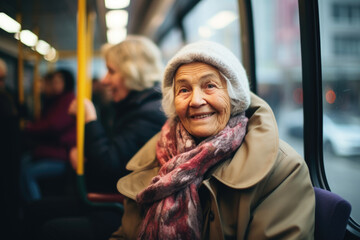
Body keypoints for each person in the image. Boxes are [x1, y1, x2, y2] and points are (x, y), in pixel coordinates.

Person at [110, 41, 315, 240]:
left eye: (209, 86)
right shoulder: (154, 156)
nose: (196, 100)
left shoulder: (283, 170)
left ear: (234, 96)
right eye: (184, 90)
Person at [37, 36, 167, 240]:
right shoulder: (135, 107)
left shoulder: (148, 114)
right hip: (115, 200)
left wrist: (89, 118)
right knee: (39, 209)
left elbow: (108, 166)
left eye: (111, 71)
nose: (105, 80)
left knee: (48, 225)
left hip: (124, 210)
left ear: (133, 72)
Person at [20, 69, 76, 203]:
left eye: (57, 82)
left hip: (62, 155)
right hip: (55, 150)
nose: (54, 85)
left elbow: (53, 125)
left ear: (66, 83)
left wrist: (28, 127)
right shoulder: (57, 100)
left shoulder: (68, 100)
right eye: (53, 82)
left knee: (27, 172)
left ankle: (35, 207)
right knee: (23, 163)